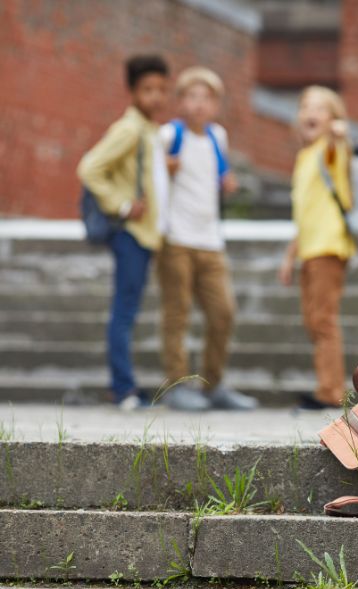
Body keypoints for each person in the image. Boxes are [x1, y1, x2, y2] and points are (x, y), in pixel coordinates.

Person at [156, 67, 257, 411]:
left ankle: (214, 384)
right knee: (177, 313)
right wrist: (163, 170)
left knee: (223, 312)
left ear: (215, 105)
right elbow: (152, 178)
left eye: (206, 98)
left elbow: (218, 174)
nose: (199, 104)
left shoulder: (218, 136)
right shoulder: (169, 135)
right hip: (176, 239)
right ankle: (177, 385)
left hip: (211, 240)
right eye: (192, 96)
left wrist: (227, 182)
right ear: (181, 101)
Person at [78, 55, 170, 410]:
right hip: (130, 234)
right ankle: (123, 389)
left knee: (128, 308)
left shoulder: (148, 129)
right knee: (124, 310)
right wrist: (121, 204)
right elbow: (89, 168)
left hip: (146, 235)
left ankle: (125, 385)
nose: (156, 96)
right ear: (132, 91)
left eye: (162, 89)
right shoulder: (130, 128)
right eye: (148, 89)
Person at [279, 86, 355, 410]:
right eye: (305, 107)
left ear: (332, 118)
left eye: (320, 109)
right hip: (309, 248)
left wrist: (339, 134)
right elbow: (304, 212)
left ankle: (330, 391)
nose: (311, 113)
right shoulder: (304, 156)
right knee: (313, 320)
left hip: (328, 245)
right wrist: (289, 256)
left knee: (323, 320)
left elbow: (341, 145)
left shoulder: (329, 150)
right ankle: (327, 385)